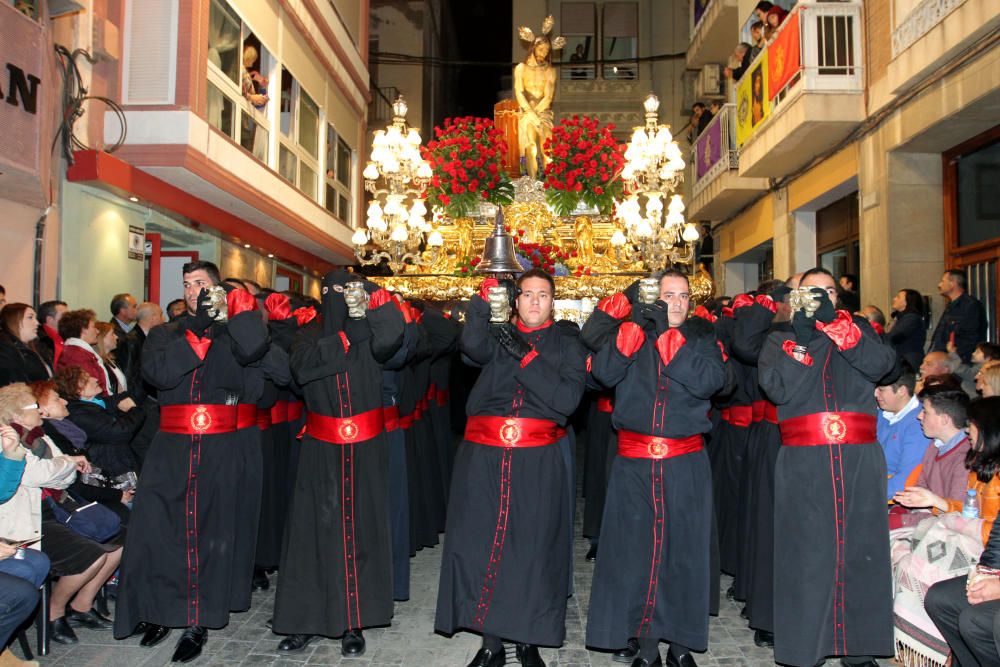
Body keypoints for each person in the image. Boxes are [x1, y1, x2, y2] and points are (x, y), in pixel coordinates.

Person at [112, 260, 268, 664]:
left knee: (208, 533)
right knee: (160, 530)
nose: (191, 289)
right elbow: (158, 375)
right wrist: (196, 332)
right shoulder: (165, 334)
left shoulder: (234, 335)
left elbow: (254, 359)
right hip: (171, 448)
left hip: (219, 448)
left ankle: (197, 620)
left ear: (217, 290)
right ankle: (159, 610)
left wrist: (238, 314)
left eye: (200, 283)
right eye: (186, 283)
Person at [437, 268, 586, 667]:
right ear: (516, 300)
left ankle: (527, 639)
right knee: (482, 547)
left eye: (543, 294)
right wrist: (482, 302)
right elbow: (471, 345)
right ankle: (491, 643)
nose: (535, 301)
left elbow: (567, 401)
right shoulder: (496, 336)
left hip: (538, 460)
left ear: (552, 301)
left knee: (532, 550)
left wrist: (528, 357)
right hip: (483, 458)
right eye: (527, 294)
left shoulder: (569, 344)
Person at [585, 270, 726, 667]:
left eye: (683, 296)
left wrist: (669, 340)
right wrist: (627, 336)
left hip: (686, 462)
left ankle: (680, 646)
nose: (677, 303)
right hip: (634, 463)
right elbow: (602, 374)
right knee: (635, 555)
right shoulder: (633, 334)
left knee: (684, 554)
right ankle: (644, 644)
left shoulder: (704, 338)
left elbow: (712, 382)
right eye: (668, 295)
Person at [758, 266, 897, 667]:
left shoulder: (859, 331)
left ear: (839, 299)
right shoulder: (780, 339)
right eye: (811, 293)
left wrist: (840, 330)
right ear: (795, 299)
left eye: (830, 293)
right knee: (806, 556)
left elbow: (884, 367)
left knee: (861, 553)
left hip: (859, 459)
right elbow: (777, 388)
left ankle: (859, 649)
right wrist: (803, 340)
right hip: (805, 461)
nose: (821, 299)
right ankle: (805, 648)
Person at [272, 271, 402, 657]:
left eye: (349, 291)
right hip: (320, 449)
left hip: (366, 448)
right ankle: (305, 620)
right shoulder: (307, 333)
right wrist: (347, 337)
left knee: (361, 533)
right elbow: (303, 369)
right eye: (334, 293)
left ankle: (354, 621)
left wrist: (372, 306)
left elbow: (395, 339)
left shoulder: (373, 333)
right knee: (313, 534)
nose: (340, 299)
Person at [0, 382, 122, 646]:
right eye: (35, 406)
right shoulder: (10, 441)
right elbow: (39, 475)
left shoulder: (40, 436)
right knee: (92, 555)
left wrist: (61, 466)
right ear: (17, 415)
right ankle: (55, 612)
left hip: (57, 507)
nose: (41, 412)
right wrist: (66, 463)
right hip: (29, 521)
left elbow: (62, 481)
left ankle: (82, 604)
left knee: (121, 537)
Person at [925, 397, 1000, 667]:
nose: (968, 431)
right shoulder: (982, 465)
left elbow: (990, 529)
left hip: (981, 547)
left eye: (973, 425)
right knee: (939, 597)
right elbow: (975, 513)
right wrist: (939, 503)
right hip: (987, 555)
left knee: (974, 620)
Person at [54, 367, 144, 519]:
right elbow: (118, 432)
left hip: (119, 469)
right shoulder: (80, 413)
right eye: (87, 379)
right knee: (139, 518)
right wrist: (135, 411)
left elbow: (126, 396)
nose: (95, 379)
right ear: (77, 390)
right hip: (114, 477)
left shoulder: (96, 404)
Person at [515, 22, 560, 179]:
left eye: (547, 51)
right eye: (541, 49)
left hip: (543, 113)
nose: (543, 53)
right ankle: (532, 183)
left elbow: (548, 97)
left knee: (547, 148)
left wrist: (536, 114)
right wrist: (530, 113)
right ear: (533, 48)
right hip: (527, 113)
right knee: (531, 145)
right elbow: (519, 92)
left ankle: (550, 183)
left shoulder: (549, 71)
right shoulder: (521, 68)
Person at [876, 367, 929, 500]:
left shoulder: (919, 424)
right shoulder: (882, 412)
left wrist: (866, 492)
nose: (876, 394)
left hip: (886, 495)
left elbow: (905, 481)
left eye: (881, 389)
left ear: (902, 391)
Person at [930, 269, 987, 364]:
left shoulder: (970, 305)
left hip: (956, 363)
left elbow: (971, 338)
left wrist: (954, 358)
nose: (939, 285)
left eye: (943, 281)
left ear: (953, 284)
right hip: (944, 360)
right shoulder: (951, 306)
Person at [56, 309, 110, 397]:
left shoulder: (79, 352)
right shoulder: (77, 356)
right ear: (83, 330)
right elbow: (90, 391)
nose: (98, 331)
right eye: (94, 327)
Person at [0, 304, 51, 386]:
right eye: (30, 317)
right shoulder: (5, 349)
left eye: (36, 318)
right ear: (14, 320)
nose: (37, 323)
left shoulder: (38, 346)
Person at [888, 288, 926, 373]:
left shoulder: (912, 318)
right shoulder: (901, 318)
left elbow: (895, 336)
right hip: (903, 358)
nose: (894, 299)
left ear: (907, 302)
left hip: (909, 360)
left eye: (898, 297)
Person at [36, 300, 68, 369]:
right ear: (50, 319)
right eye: (65, 316)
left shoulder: (67, 336)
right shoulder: (38, 341)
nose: (69, 319)